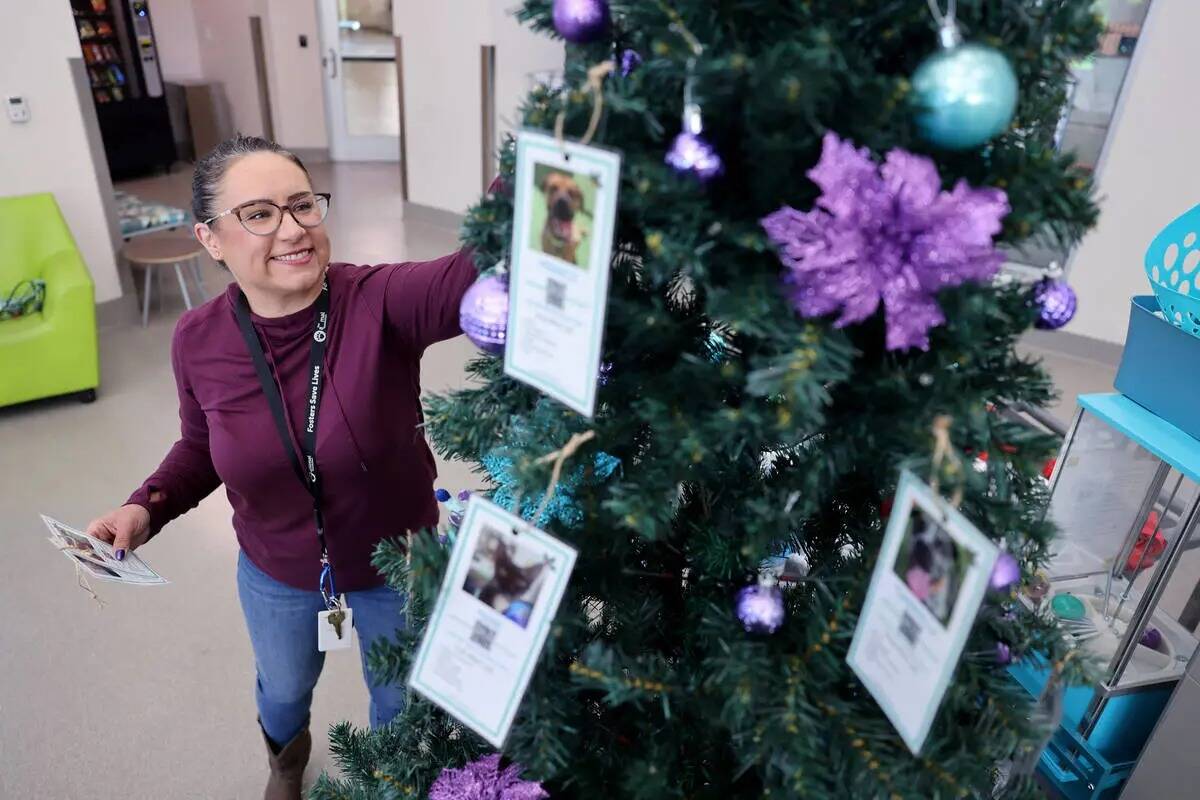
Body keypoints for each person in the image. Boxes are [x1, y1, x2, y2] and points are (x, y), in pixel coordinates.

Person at [86, 135, 481, 799]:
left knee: (404, 701)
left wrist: (553, 149)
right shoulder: (200, 339)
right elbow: (199, 446)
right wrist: (144, 506)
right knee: (284, 688)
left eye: (303, 206)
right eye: (259, 214)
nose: (293, 230)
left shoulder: (378, 300)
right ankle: (285, 762)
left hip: (402, 560)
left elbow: (473, 272)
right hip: (278, 570)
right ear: (211, 240)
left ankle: (391, 784)